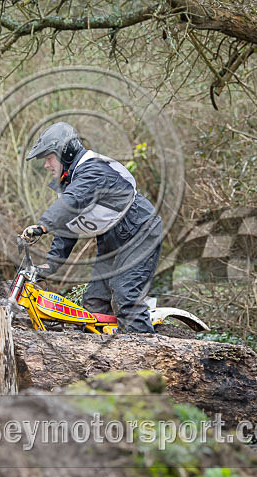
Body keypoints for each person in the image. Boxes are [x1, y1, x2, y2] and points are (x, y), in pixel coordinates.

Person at [22, 122, 162, 333]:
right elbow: (68, 227)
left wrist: (42, 225)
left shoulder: (92, 170)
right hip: (111, 237)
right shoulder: (70, 181)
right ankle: (98, 352)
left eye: (49, 158)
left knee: (126, 294)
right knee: (94, 302)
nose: (46, 165)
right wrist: (51, 265)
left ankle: (143, 349)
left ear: (66, 154)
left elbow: (72, 202)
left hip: (140, 230)